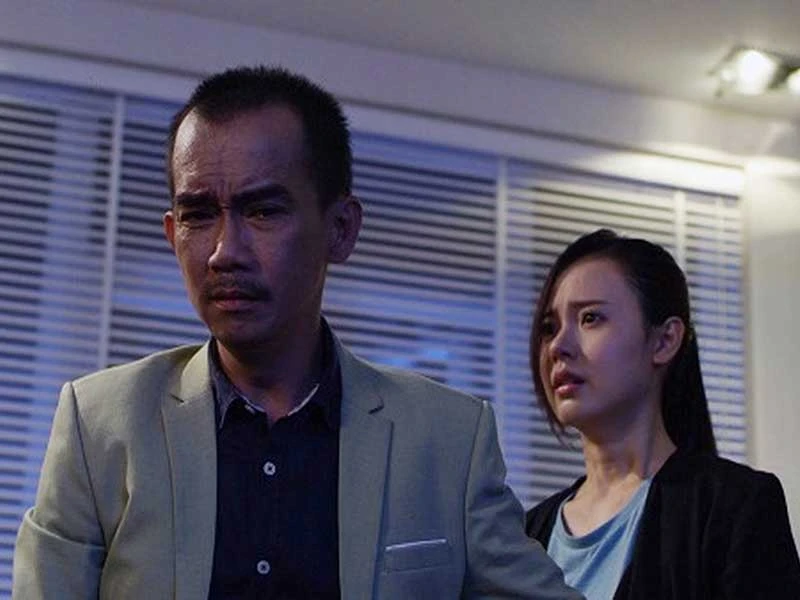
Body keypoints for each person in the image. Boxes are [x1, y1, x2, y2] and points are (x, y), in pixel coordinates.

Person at [12, 66, 582, 600]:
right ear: (171, 232)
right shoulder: (100, 425)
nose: (224, 252)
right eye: (198, 214)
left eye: (263, 211)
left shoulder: (447, 438)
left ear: (341, 229)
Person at [524, 228, 800, 599]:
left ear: (665, 340)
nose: (557, 346)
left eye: (590, 318)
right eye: (549, 327)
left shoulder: (733, 507)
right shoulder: (526, 537)